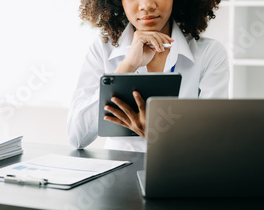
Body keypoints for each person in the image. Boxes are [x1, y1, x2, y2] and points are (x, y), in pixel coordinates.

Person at [67, 0, 228, 152]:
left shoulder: (209, 53)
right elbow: (77, 138)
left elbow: (213, 143)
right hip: (116, 177)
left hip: (182, 175)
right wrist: (127, 66)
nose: (147, 5)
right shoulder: (103, 49)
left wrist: (160, 137)